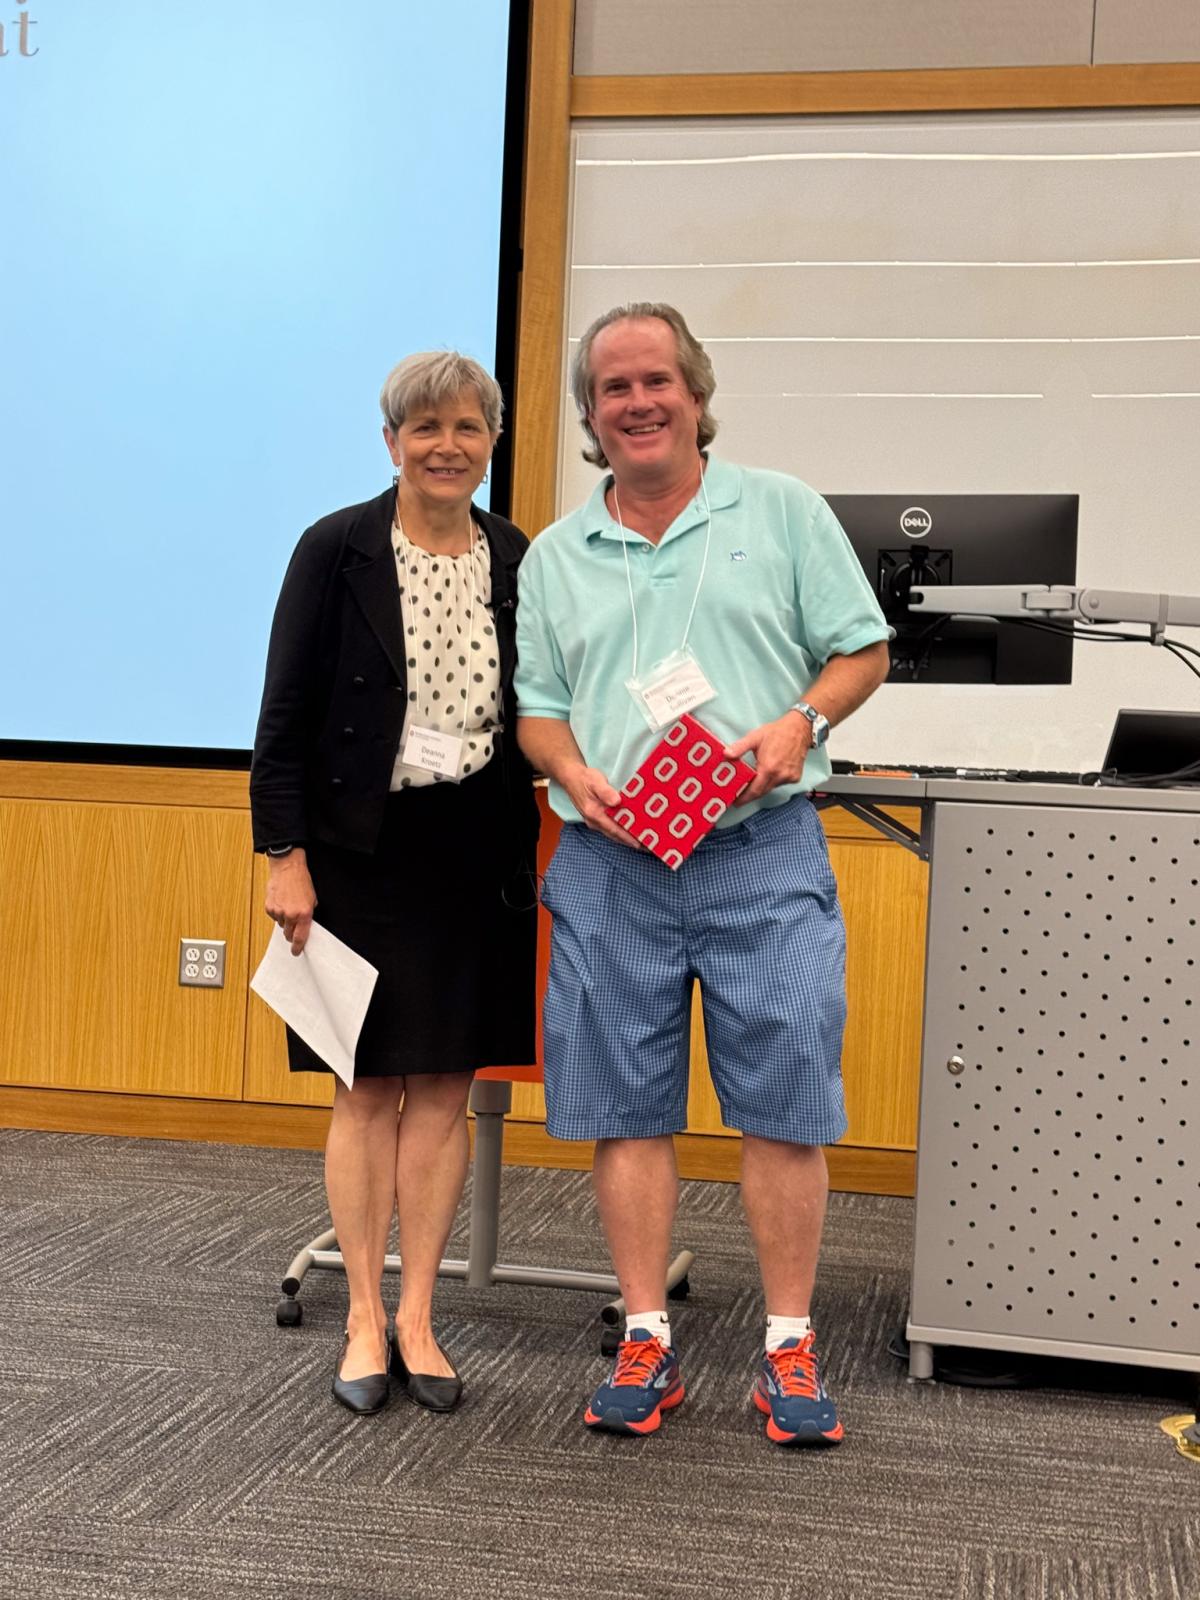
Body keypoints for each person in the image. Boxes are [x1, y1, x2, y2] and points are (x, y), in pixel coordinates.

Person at [515, 303, 891, 1446]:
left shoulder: (778, 510)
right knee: (624, 1107)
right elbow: (537, 712)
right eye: (614, 388)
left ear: (694, 391)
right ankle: (645, 1335)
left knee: (784, 1098)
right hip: (612, 862)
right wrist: (578, 772)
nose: (637, 402)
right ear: (591, 415)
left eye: (656, 380)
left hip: (758, 848)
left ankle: (788, 1348)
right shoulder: (556, 556)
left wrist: (796, 724)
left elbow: (862, 648)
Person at [251, 351, 538, 1417]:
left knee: (446, 1090)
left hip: (475, 855)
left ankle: (421, 1313)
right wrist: (284, 855)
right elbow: (282, 718)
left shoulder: (514, 553)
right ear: (392, 443)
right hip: (357, 853)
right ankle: (364, 1315)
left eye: (466, 427)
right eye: (426, 429)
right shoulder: (334, 549)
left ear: (490, 441)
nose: (447, 445)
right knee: (366, 1086)